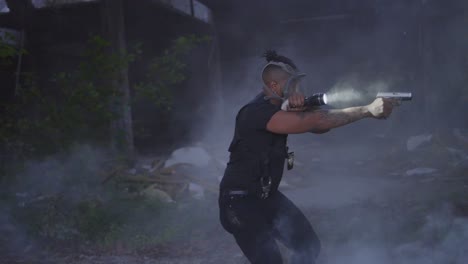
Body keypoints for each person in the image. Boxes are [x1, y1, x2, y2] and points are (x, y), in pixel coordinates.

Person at [218, 50, 396, 264]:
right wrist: (367, 110)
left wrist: (302, 108)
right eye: (292, 83)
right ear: (275, 87)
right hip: (240, 203)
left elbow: (320, 129)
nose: (298, 88)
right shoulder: (255, 112)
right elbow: (317, 122)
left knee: (309, 246)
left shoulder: (278, 108)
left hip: (267, 197)